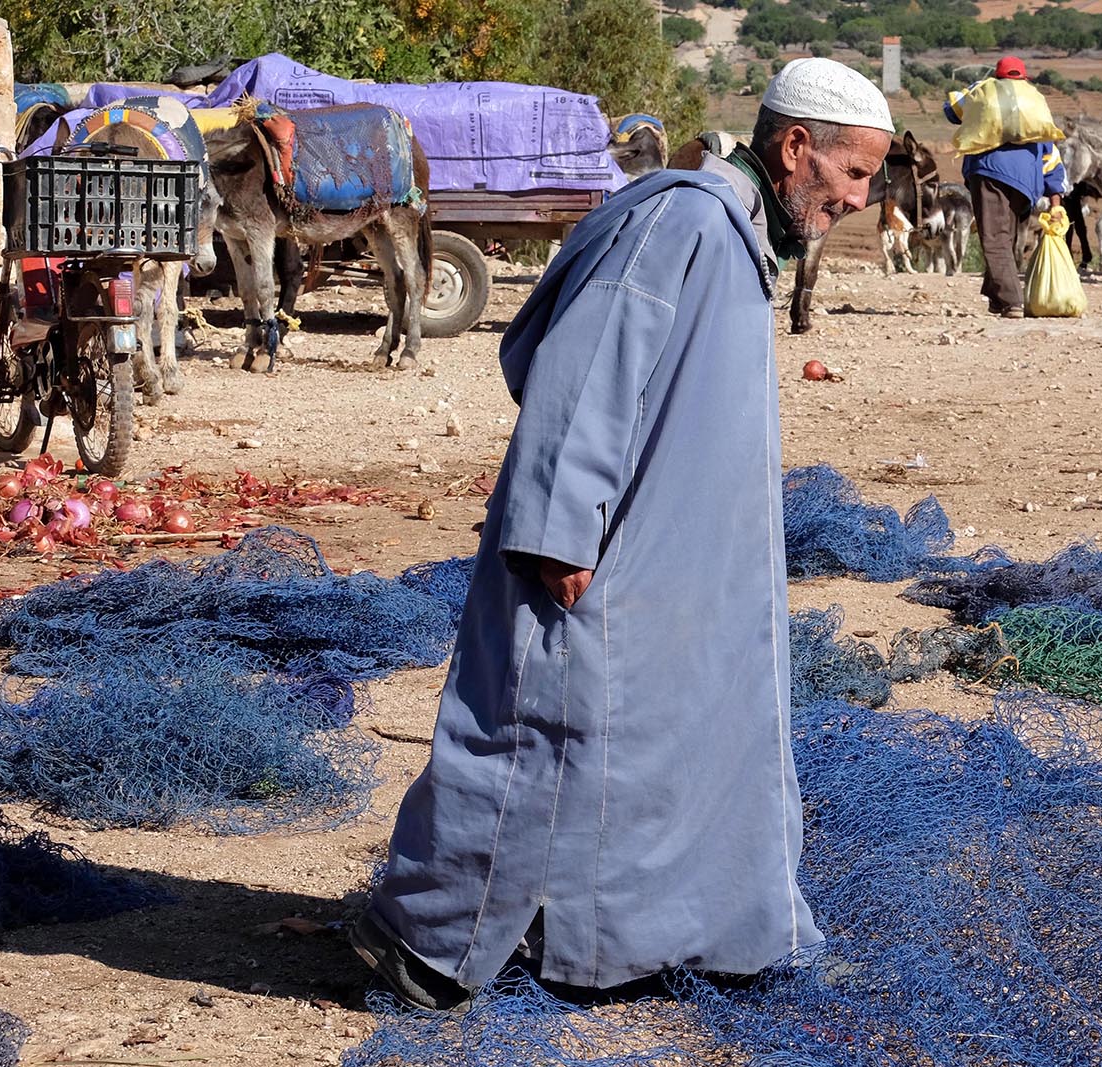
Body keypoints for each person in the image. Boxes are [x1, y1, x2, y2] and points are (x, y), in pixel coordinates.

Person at [350, 58, 895, 1011]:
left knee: (654, 747)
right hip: (596, 552)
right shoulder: (681, 218)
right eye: (853, 173)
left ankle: (637, 936)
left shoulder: (730, 234)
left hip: (676, 554)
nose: (860, 198)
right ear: (795, 146)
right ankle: (428, 942)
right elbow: (587, 367)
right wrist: (560, 528)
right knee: (538, 732)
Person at [945, 56, 1067, 317]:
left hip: (989, 172)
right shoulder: (1033, 102)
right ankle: (996, 297)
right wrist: (1056, 201)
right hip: (1027, 182)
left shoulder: (983, 92)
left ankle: (1013, 301)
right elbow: (1050, 155)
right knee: (1007, 237)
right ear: (1023, 78)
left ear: (998, 76)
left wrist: (978, 89)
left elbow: (950, 110)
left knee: (994, 237)